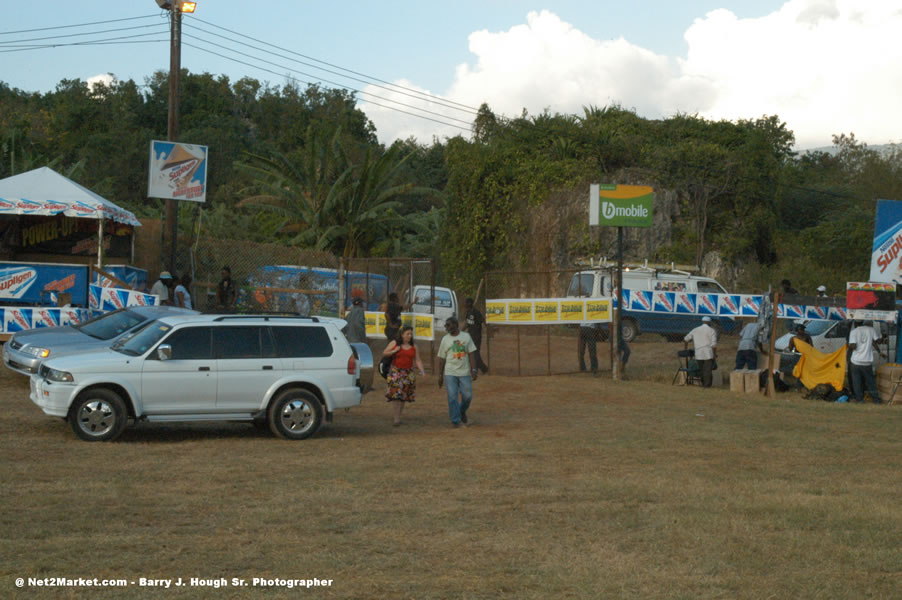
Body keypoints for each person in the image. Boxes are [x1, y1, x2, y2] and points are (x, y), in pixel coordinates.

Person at [437, 316, 477, 427]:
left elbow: (471, 353)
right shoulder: (445, 339)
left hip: (464, 372)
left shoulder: (466, 337)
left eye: (449, 325)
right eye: (446, 325)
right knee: (452, 397)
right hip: (450, 372)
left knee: (468, 396)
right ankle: (456, 421)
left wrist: (474, 369)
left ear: (456, 324)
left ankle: (461, 411)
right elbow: (441, 358)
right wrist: (440, 375)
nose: (447, 327)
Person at [382, 326, 425, 426]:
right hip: (396, 372)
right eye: (407, 334)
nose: (409, 336)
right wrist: (394, 351)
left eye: (411, 334)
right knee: (396, 396)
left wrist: (422, 371)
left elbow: (417, 360)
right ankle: (396, 419)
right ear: (402, 334)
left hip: (408, 373)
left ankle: (398, 416)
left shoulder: (414, 346)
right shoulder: (395, 343)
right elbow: (385, 353)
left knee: (403, 396)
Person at [848, 320, 883, 403]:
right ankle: (876, 400)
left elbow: (853, 346)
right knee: (871, 382)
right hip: (867, 362)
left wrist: (850, 345)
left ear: (856, 323)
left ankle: (860, 400)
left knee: (857, 382)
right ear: (862, 322)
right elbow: (877, 341)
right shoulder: (871, 329)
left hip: (855, 362)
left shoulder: (854, 332)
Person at [684, 316, 718, 387]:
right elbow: (714, 345)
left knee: (701, 369)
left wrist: (685, 348)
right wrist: (714, 354)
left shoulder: (695, 329)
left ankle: (703, 383)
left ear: (702, 321)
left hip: (698, 352)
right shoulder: (712, 330)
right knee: (708, 369)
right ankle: (707, 385)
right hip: (708, 352)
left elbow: (686, 339)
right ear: (709, 322)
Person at [463, 298, 488, 373]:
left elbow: (483, 320)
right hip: (470, 336)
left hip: (476, 336)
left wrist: (488, 329)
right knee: (471, 352)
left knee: (475, 352)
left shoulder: (476, 312)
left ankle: (475, 370)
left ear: (470, 303)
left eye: (466, 302)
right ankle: (484, 368)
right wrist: (460, 331)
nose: (465, 304)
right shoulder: (468, 312)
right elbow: (467, 323)